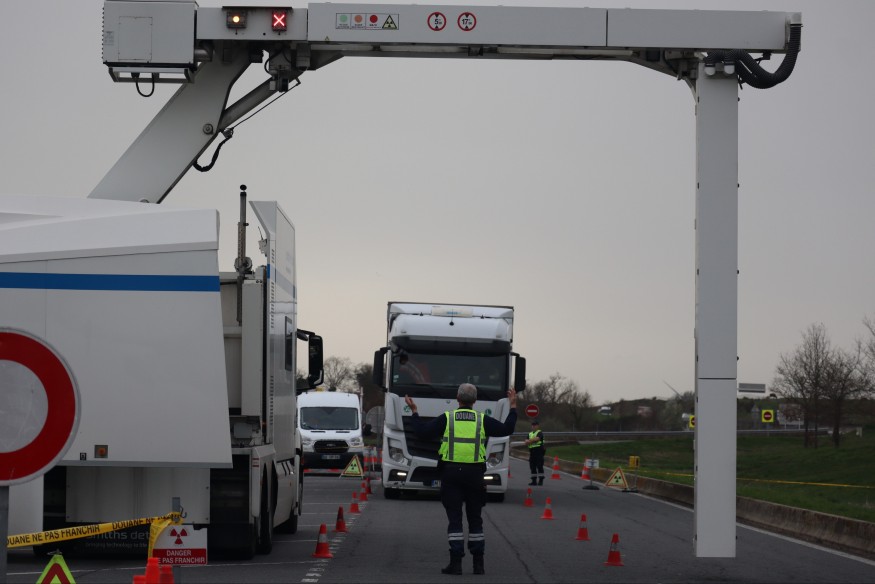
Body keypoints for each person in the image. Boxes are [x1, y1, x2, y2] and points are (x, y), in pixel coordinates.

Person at [405, 383, 517, 576]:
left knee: (455, 518)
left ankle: (455, 563)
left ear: (457, 399)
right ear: (475, 401)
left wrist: (414, 411)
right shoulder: (482, 420)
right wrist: (513, 406)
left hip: (451, 474)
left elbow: (422, 432)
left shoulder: (447, 418)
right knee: (475, 518)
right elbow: (507, 428)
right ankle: (478, 564)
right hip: (474, 475)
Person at [524, 419, 545, 486]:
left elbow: (537, 439)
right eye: (532, 425)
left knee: (539, 466)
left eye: (535, 425)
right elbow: (526, 442)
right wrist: (531, 440)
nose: (533, 426)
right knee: (532, 466)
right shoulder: (530, 434)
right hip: (532, 452)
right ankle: (534, 481)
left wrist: (529, 441)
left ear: (537, 426)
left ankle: (541, 480)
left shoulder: (539, 432)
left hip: (539, 451)